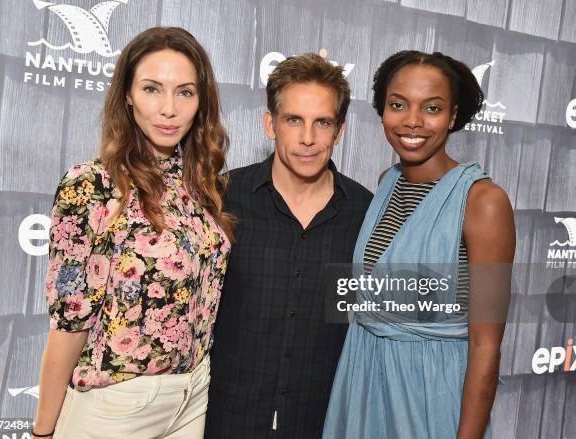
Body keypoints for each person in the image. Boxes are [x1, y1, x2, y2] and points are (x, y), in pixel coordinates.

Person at [31, 27, 233, 439]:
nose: (168, 109)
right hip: (118, 404)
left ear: (201, 102)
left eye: (185, 93)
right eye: (152, 89)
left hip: (192, 395)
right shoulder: (92, 185)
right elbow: (70, 322)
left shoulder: (201, 185)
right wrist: (43, 431)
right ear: (127, 95)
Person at [323, 50, 515, 439]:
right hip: (362, 380)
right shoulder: (387, 182)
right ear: (382, 111)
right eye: (398, 105)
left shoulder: (483, 202)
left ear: (453, 116)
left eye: (431, 108)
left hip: (429, 392)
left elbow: (485, 346)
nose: (412, 121)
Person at [205, 53, 373, 438]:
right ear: (270, 124)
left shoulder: (366, 213)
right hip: (227, 420)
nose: (308, 138)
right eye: (293, 119)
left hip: (323, 421)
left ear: (340, 130)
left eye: (323, 122)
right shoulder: (221, 199)